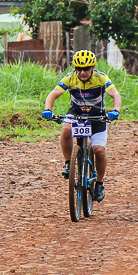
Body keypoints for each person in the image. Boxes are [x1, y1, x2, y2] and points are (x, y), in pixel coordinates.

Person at [42, 49, 123, 203]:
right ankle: (68, 163)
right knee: (66, 128)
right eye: (79, 69)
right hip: (77, 113)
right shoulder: (70, 78)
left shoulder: (101, 78)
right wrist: (48, 109)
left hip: (97, 115)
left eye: (86, 69)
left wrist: (116, 110)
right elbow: (53, 94)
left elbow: (115, 94)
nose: (82, 72)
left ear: (92, 68)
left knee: (98, 150)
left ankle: (99, 183)